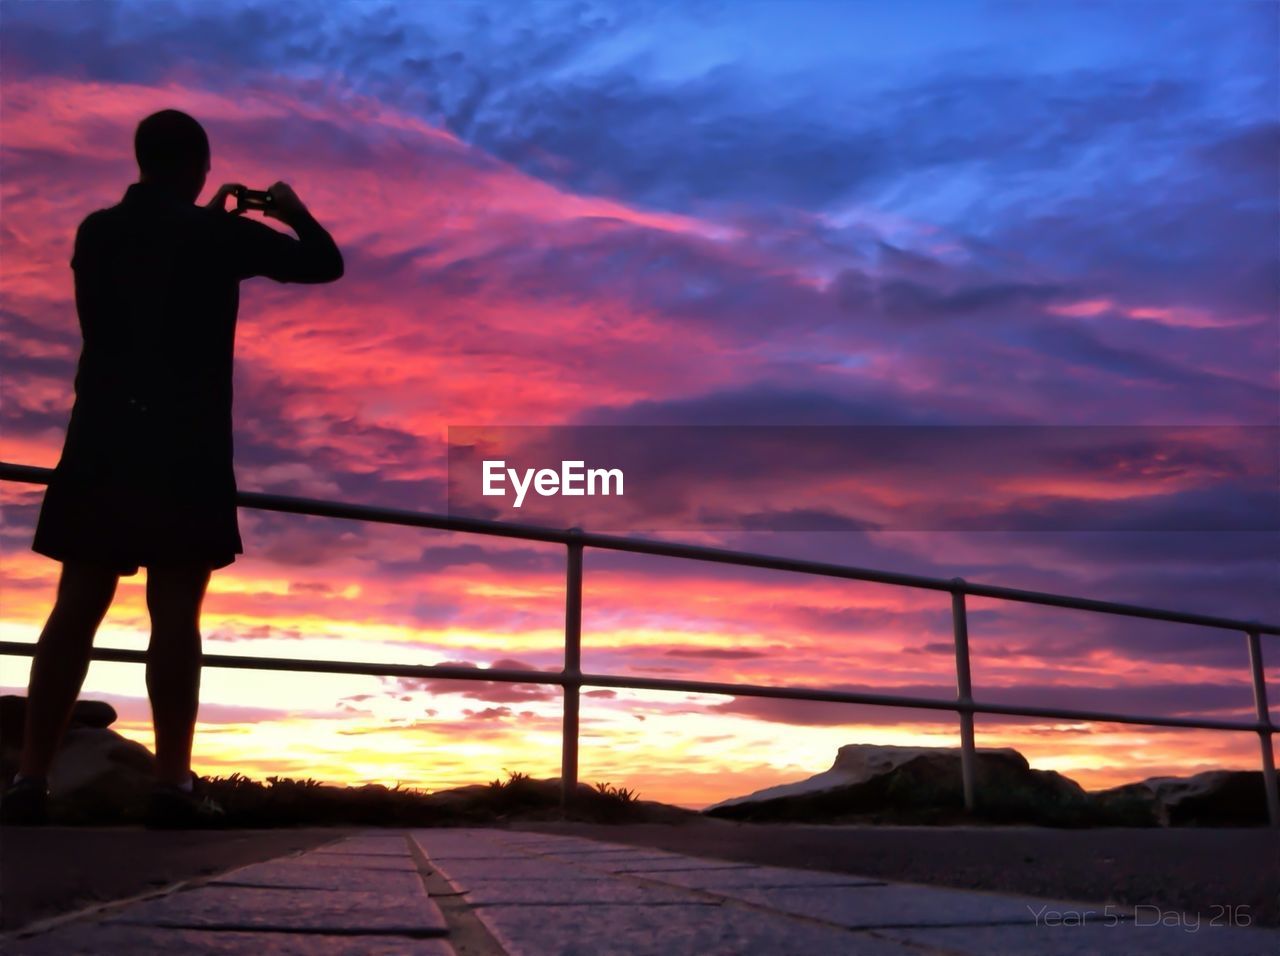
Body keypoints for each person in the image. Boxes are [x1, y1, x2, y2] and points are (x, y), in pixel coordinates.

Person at [0, 109, 343, 827]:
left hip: (101, 436)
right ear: (199, 165)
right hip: (184, 447)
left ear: (140, 160)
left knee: (74, 611)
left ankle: (30, 781)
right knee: (175, 618)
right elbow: (324, 262)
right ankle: (172, 785)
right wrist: (288, 211)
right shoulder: (217, 234)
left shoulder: (97, 231)